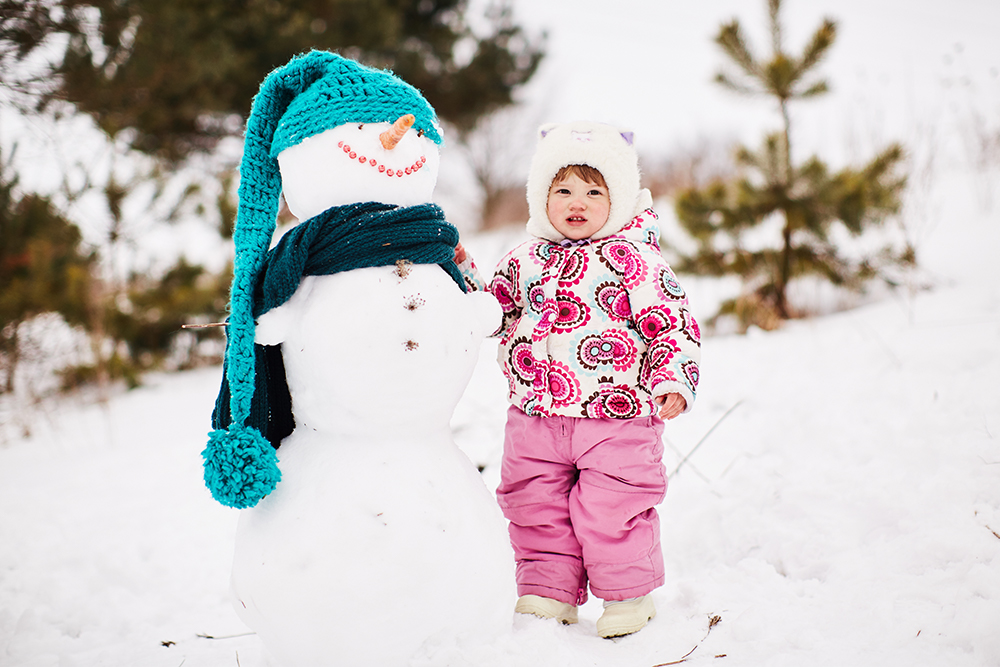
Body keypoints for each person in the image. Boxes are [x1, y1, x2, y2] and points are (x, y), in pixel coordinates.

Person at [488, 121, 701, 639]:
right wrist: (457, 282)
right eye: (562, 189)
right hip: (535, 415)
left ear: (619, 197)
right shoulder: (523, 259)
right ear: (542, 197)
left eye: (593, 190)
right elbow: (487, 309)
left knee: (613, 508)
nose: (576, 201)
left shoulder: (634, 259)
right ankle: (547, 592)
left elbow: (671, 322)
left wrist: (671, 378)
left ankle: (629, 596)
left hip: (619, 416)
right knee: (534, 504)